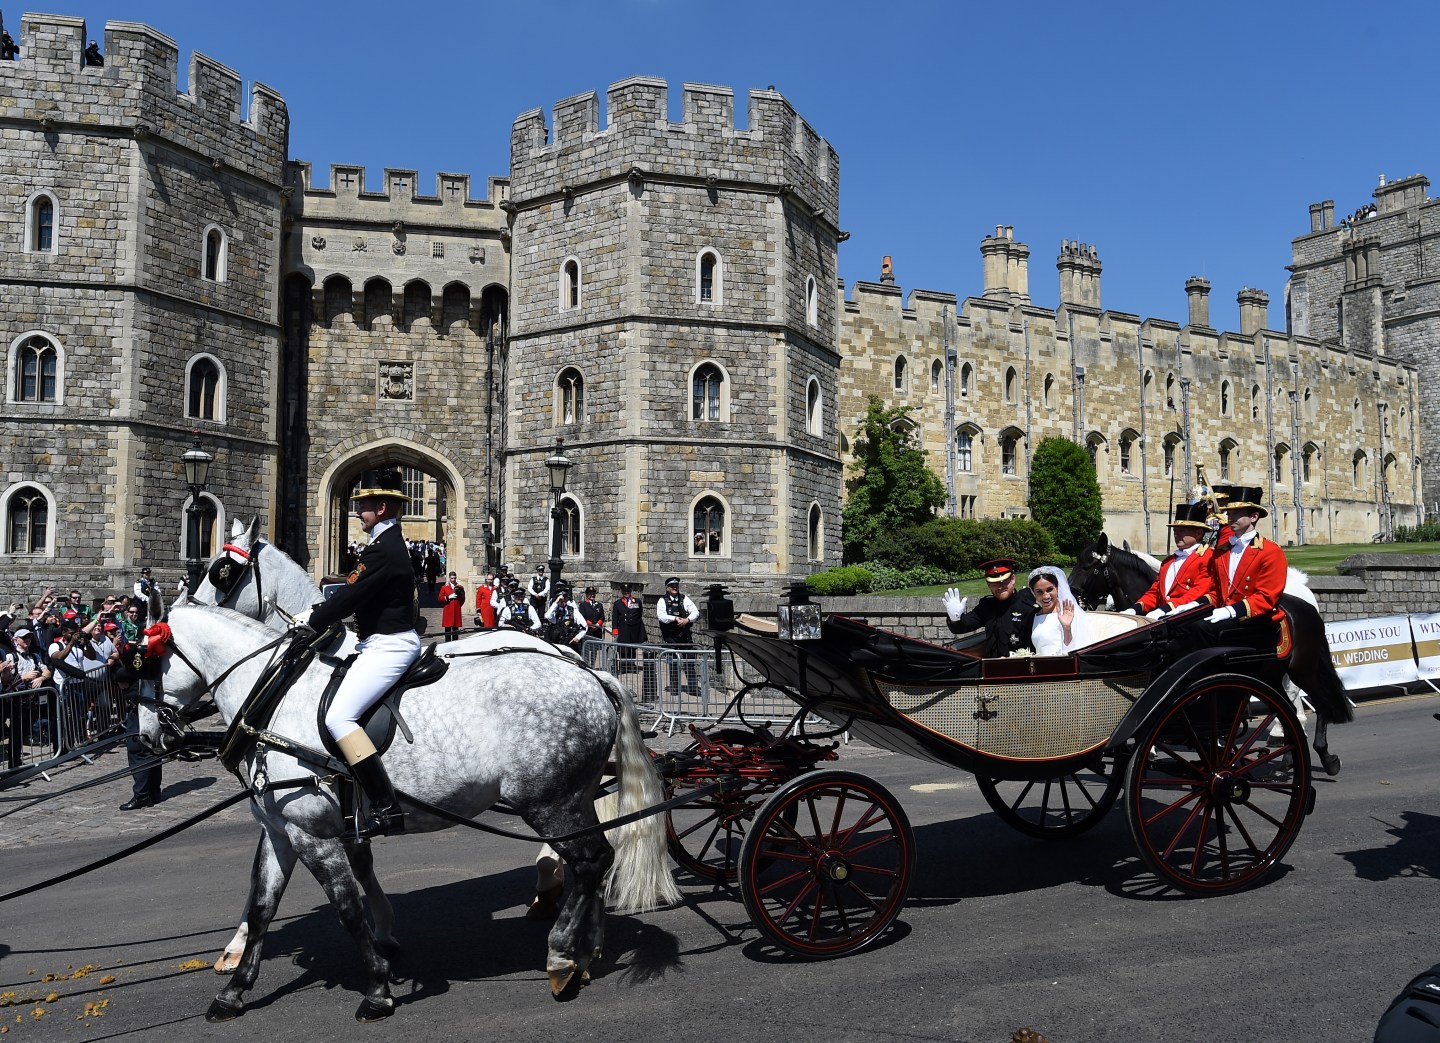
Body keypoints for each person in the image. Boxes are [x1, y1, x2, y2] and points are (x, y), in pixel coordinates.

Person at [294, 468, 421, 839]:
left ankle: (386, 806)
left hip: (390, 644)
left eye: (363, 505)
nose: (357, 511)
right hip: (377, 640)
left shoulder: (384, 549)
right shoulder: (384, 544)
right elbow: (353, 588)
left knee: (339, 718)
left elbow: (351, 595)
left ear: (380, 508)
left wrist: (312, 620)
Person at [1184, 485, 1290, 654]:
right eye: (1229, 513)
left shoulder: (1270, 551)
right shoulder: (1222, 551)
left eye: (1237, 514)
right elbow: (1216, 591)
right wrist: (1194, 605)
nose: (1230, 518)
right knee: (1182, 625)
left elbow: (1266, 597)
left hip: (1255, 618)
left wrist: (1230, 611)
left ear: (1253, 517)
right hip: (1225, 612)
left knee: (1200, 628)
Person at [1122, 502, 1217, 619]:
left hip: (1189, 617)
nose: (1176, 535)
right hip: (1163, 616)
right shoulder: (1168, 562)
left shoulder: (1208, 557)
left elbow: (1198, 591)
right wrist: (1135, 608)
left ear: (1198, 533)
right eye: (1175, 531)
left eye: (1182, 530)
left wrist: (1166, 609)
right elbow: (1154, 592)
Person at [942, 558, 1037, 657]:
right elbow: (963, 627)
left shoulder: (1027, 606)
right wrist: (955, 618)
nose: (1000, 587)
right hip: (992, 664)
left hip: (1020, 664)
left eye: (1004, 581)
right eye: (994, 583)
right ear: (988, 584)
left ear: (1012, 579)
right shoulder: (987, 606)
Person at [1027, 566, 1096, 655]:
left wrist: (1067, 628)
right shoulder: (1034, 615)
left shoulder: (1068, 614)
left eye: (1049, 590)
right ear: (1033, 593)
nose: (1046, 596)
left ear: (1057, 588)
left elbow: (1076, 649)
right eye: (1039, 592)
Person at [655, 576, 701, 701]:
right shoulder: (662, 600)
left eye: (676, 586)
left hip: (684, 635)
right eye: (672, 586)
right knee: (673, 663)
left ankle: (693, 687)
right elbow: (661, 616)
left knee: (689, 661)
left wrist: (687, 620)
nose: (674, 588)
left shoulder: (684, 599)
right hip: (671, 637)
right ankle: (674, 687)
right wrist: (675, 619)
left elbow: (695, 612)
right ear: (667, 588)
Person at [438, 571, 465, 641]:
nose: (453, 580)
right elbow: (440, 598)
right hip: (448, 610)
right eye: (452, 578)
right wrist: (448, 597)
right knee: (447, 631)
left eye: (454, 578)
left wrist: (458, 605)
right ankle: (447, 644)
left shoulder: (460, 587)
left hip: (456, 610)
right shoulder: (444, 587)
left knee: (456, 630)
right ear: (449, 578)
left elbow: (463, 599)